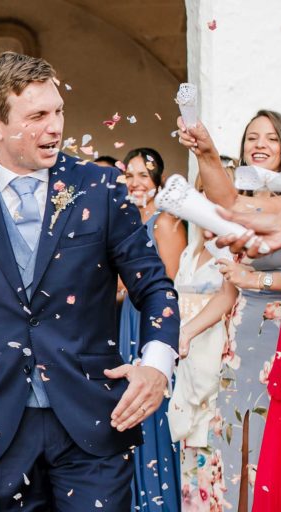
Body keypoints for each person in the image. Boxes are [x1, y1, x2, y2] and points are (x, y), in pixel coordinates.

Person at [0, 52, 180, 511]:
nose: (55, 127)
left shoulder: (101, 188)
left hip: (95, 418)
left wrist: (156, 363)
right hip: (1, 427)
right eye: (38, 115)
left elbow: (154, 286)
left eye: (58, 110)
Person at [177, 111, 281, 509]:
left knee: (270, 453)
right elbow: (228, 294)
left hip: (280, 340)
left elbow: (261, 278)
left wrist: (254, 279)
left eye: (271, 139)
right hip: (239, 346)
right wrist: (187, 330)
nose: (260, 145)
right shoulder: (239, 206)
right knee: (235, 452)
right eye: (252, 138)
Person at [118, 147, 186, 511]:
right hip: (128, 320)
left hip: (151, 323)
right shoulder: (128, 221)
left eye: (143, 174)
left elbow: (169, 286)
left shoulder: (165, 221)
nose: (135, 182)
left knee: (154, 412)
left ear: (157, 180)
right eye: (130, 175)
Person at [167, 170, 235, 512]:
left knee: (218, 469)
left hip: (216, 353)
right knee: (190, 473)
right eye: (200, 197)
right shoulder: (189, 254)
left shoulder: (235, 254)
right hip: (188, 357)